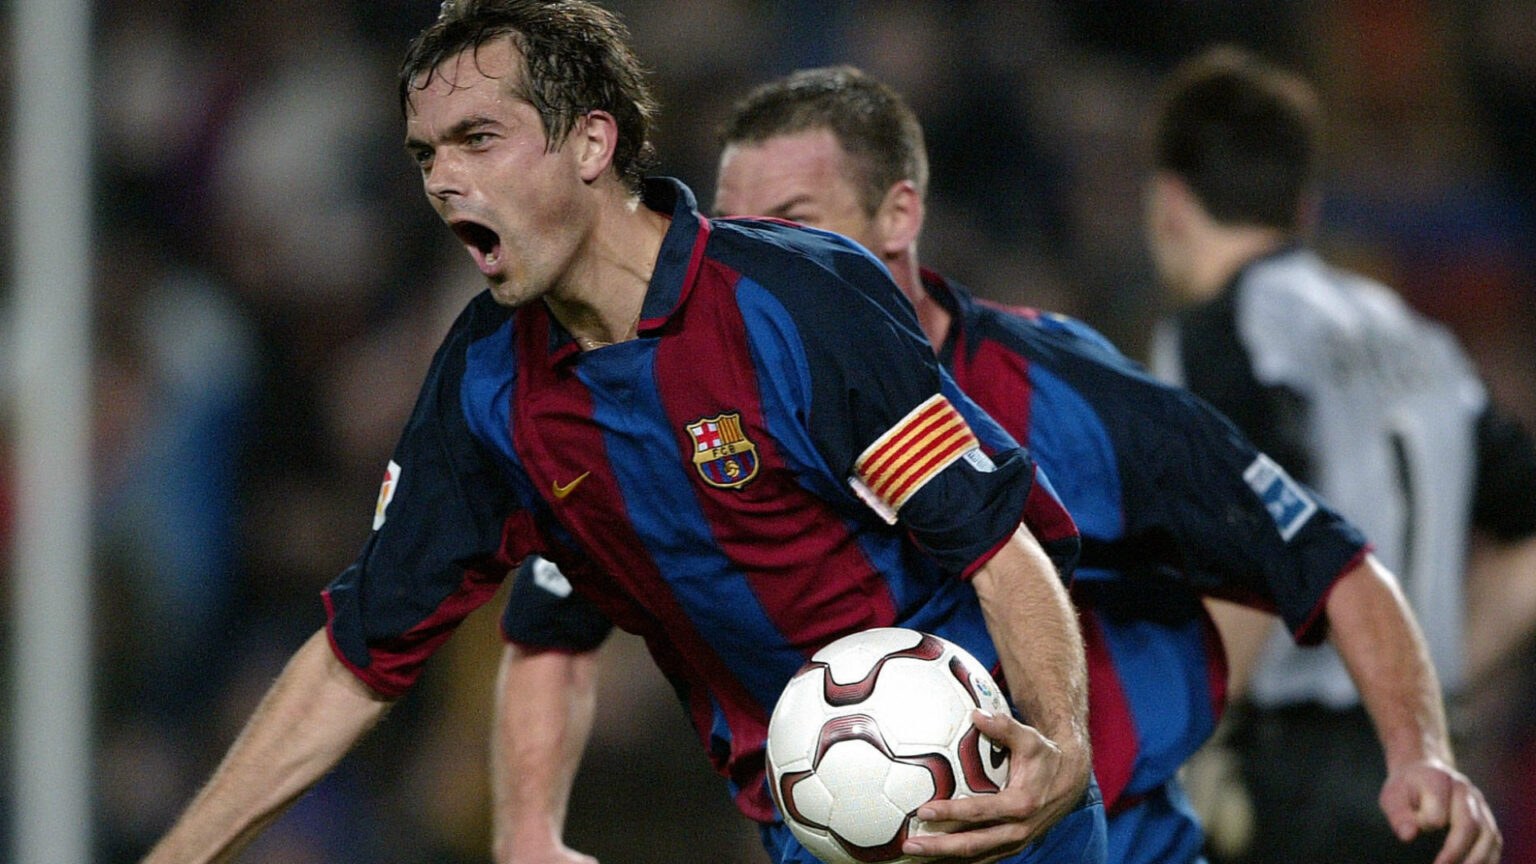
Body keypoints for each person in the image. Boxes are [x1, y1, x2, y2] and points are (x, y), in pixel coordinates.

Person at [141, 3, 1109, 863]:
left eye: (478, 138)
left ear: (591, 142)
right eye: (426, 154)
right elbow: (358, 657)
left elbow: (994, 543)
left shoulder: (788, 300)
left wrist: (1060, 743)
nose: (443, 181)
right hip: (813, 825)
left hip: (991, 785)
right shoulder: (486, 387)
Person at [492, 65, 1502, 864]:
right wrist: (527, 832)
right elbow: (550, 627)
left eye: (791, 220)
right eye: (732, 227)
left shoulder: (1066, 397)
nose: (751, 254)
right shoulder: (669, 408)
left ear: (899, 216)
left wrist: (1420, 752)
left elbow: (1328, 559)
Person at [1144, 46, 1536, 864]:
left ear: (1170, 203)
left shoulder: (1221, 333)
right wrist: (1431, 675)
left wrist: (1195, 739)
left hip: (1289, 775)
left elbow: (1253, 527)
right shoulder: (1415, 333)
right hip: (1431, 770)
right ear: (1306, 207)